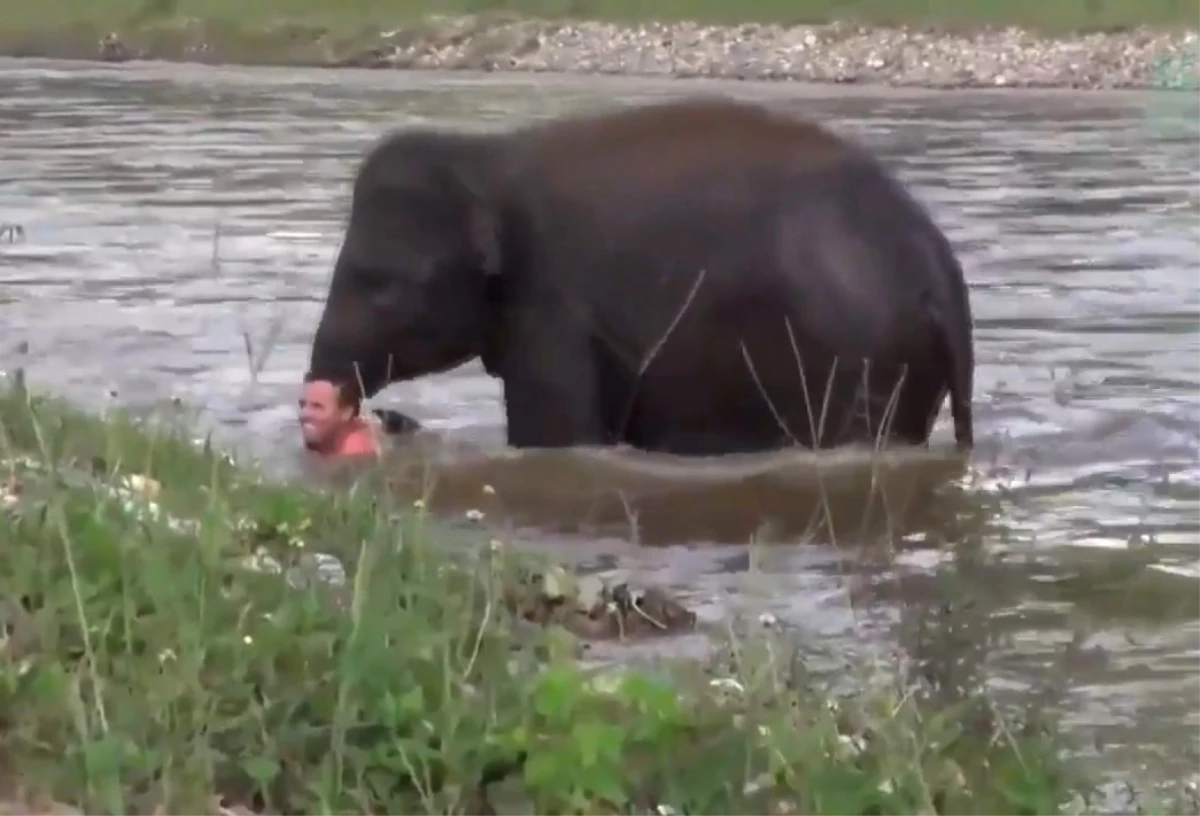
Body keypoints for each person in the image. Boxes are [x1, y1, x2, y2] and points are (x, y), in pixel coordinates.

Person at [297, 372, 380, 458]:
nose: (304, 414)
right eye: (302, 405)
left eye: (317, 406)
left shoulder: (355, 454)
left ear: (346, 413)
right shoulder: (324, 435)